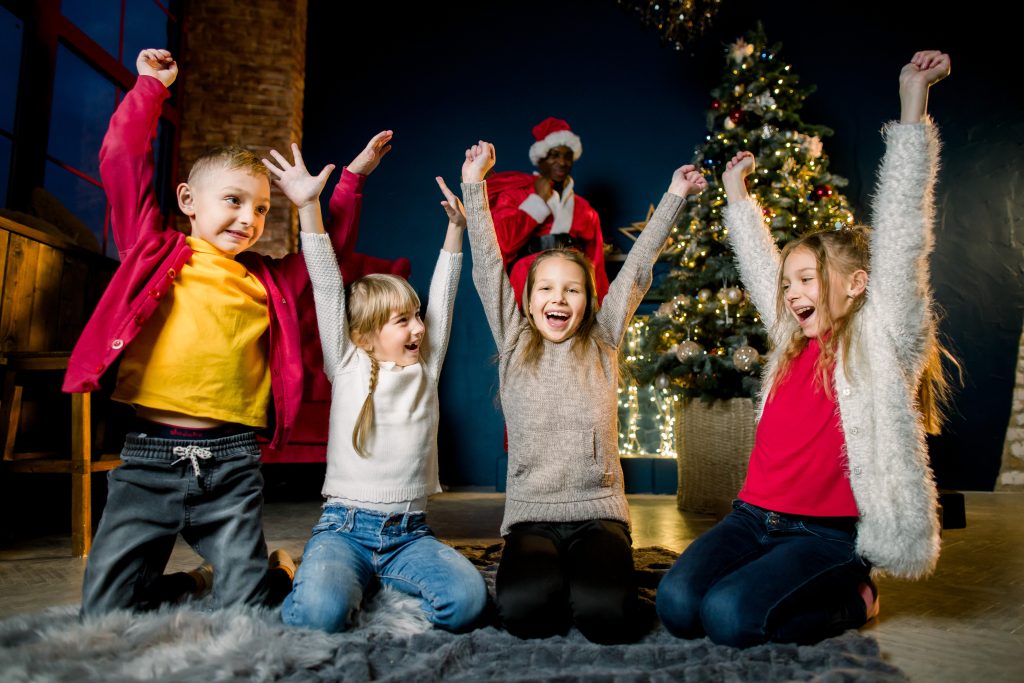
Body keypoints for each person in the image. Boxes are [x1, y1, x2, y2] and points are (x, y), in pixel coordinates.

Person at [66, 49, 400, 616]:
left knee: (247, 610)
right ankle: (197, 583)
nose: (249, 218)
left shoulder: (267, 280)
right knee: (104, 614)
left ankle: (268, 572)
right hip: (148, 461)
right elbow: (121, 160)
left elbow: (328, 256)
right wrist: (151, 88)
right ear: (188, 201)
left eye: (262, 209)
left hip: (230, 464)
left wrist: (351, 181)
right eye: (234, 201)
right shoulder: (153, 251)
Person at [655, 50, 954, 648]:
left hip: (826, 535)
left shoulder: (881, 341)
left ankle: (854, 597)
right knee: (677, 605)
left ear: (857, 283)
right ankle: (765, 574)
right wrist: (737, 196)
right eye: (787, 284)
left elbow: (903, 234)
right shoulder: (792, 339)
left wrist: (912, 101)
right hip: (752, 517)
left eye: (806, 280)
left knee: (730, 618)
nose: (791, 294)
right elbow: (759, 266)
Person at [455, 139, 706, 643]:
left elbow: (636, 270)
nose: (559, 298)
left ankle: (591, 577)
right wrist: (473, 184)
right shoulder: (513, 339)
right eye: (546, 288)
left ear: (589, 300)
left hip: (598, 515)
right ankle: (554, 576)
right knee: (524, 615)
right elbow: (486, 266)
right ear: (528, 301)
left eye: (572, 289)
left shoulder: (603, 339)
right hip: (531, 517)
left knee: (607, 619)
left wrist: (675, 194)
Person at [264, 144, 487, 634]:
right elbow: (326, 284)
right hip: (343, 530)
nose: (418, 328)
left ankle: (377, 582)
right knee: (319, 617)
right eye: (401, 321)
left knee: (467, 604)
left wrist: (456, 229)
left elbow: (444, 296)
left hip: (409, 535)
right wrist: (308, 206)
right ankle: (302, 573)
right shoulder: (346, 363)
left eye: (416, 316)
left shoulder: (425, 367)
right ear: (364, 336)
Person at [487, 117, 609, 306]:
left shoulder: (585, 209)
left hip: (571, 289)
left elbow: (597, 265)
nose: (562, 162)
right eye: (554, 155)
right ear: (541, 158)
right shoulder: (515, 195)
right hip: (526, 284)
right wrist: (538, 201)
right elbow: (502, 242)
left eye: (567, 156)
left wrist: (600, 308)